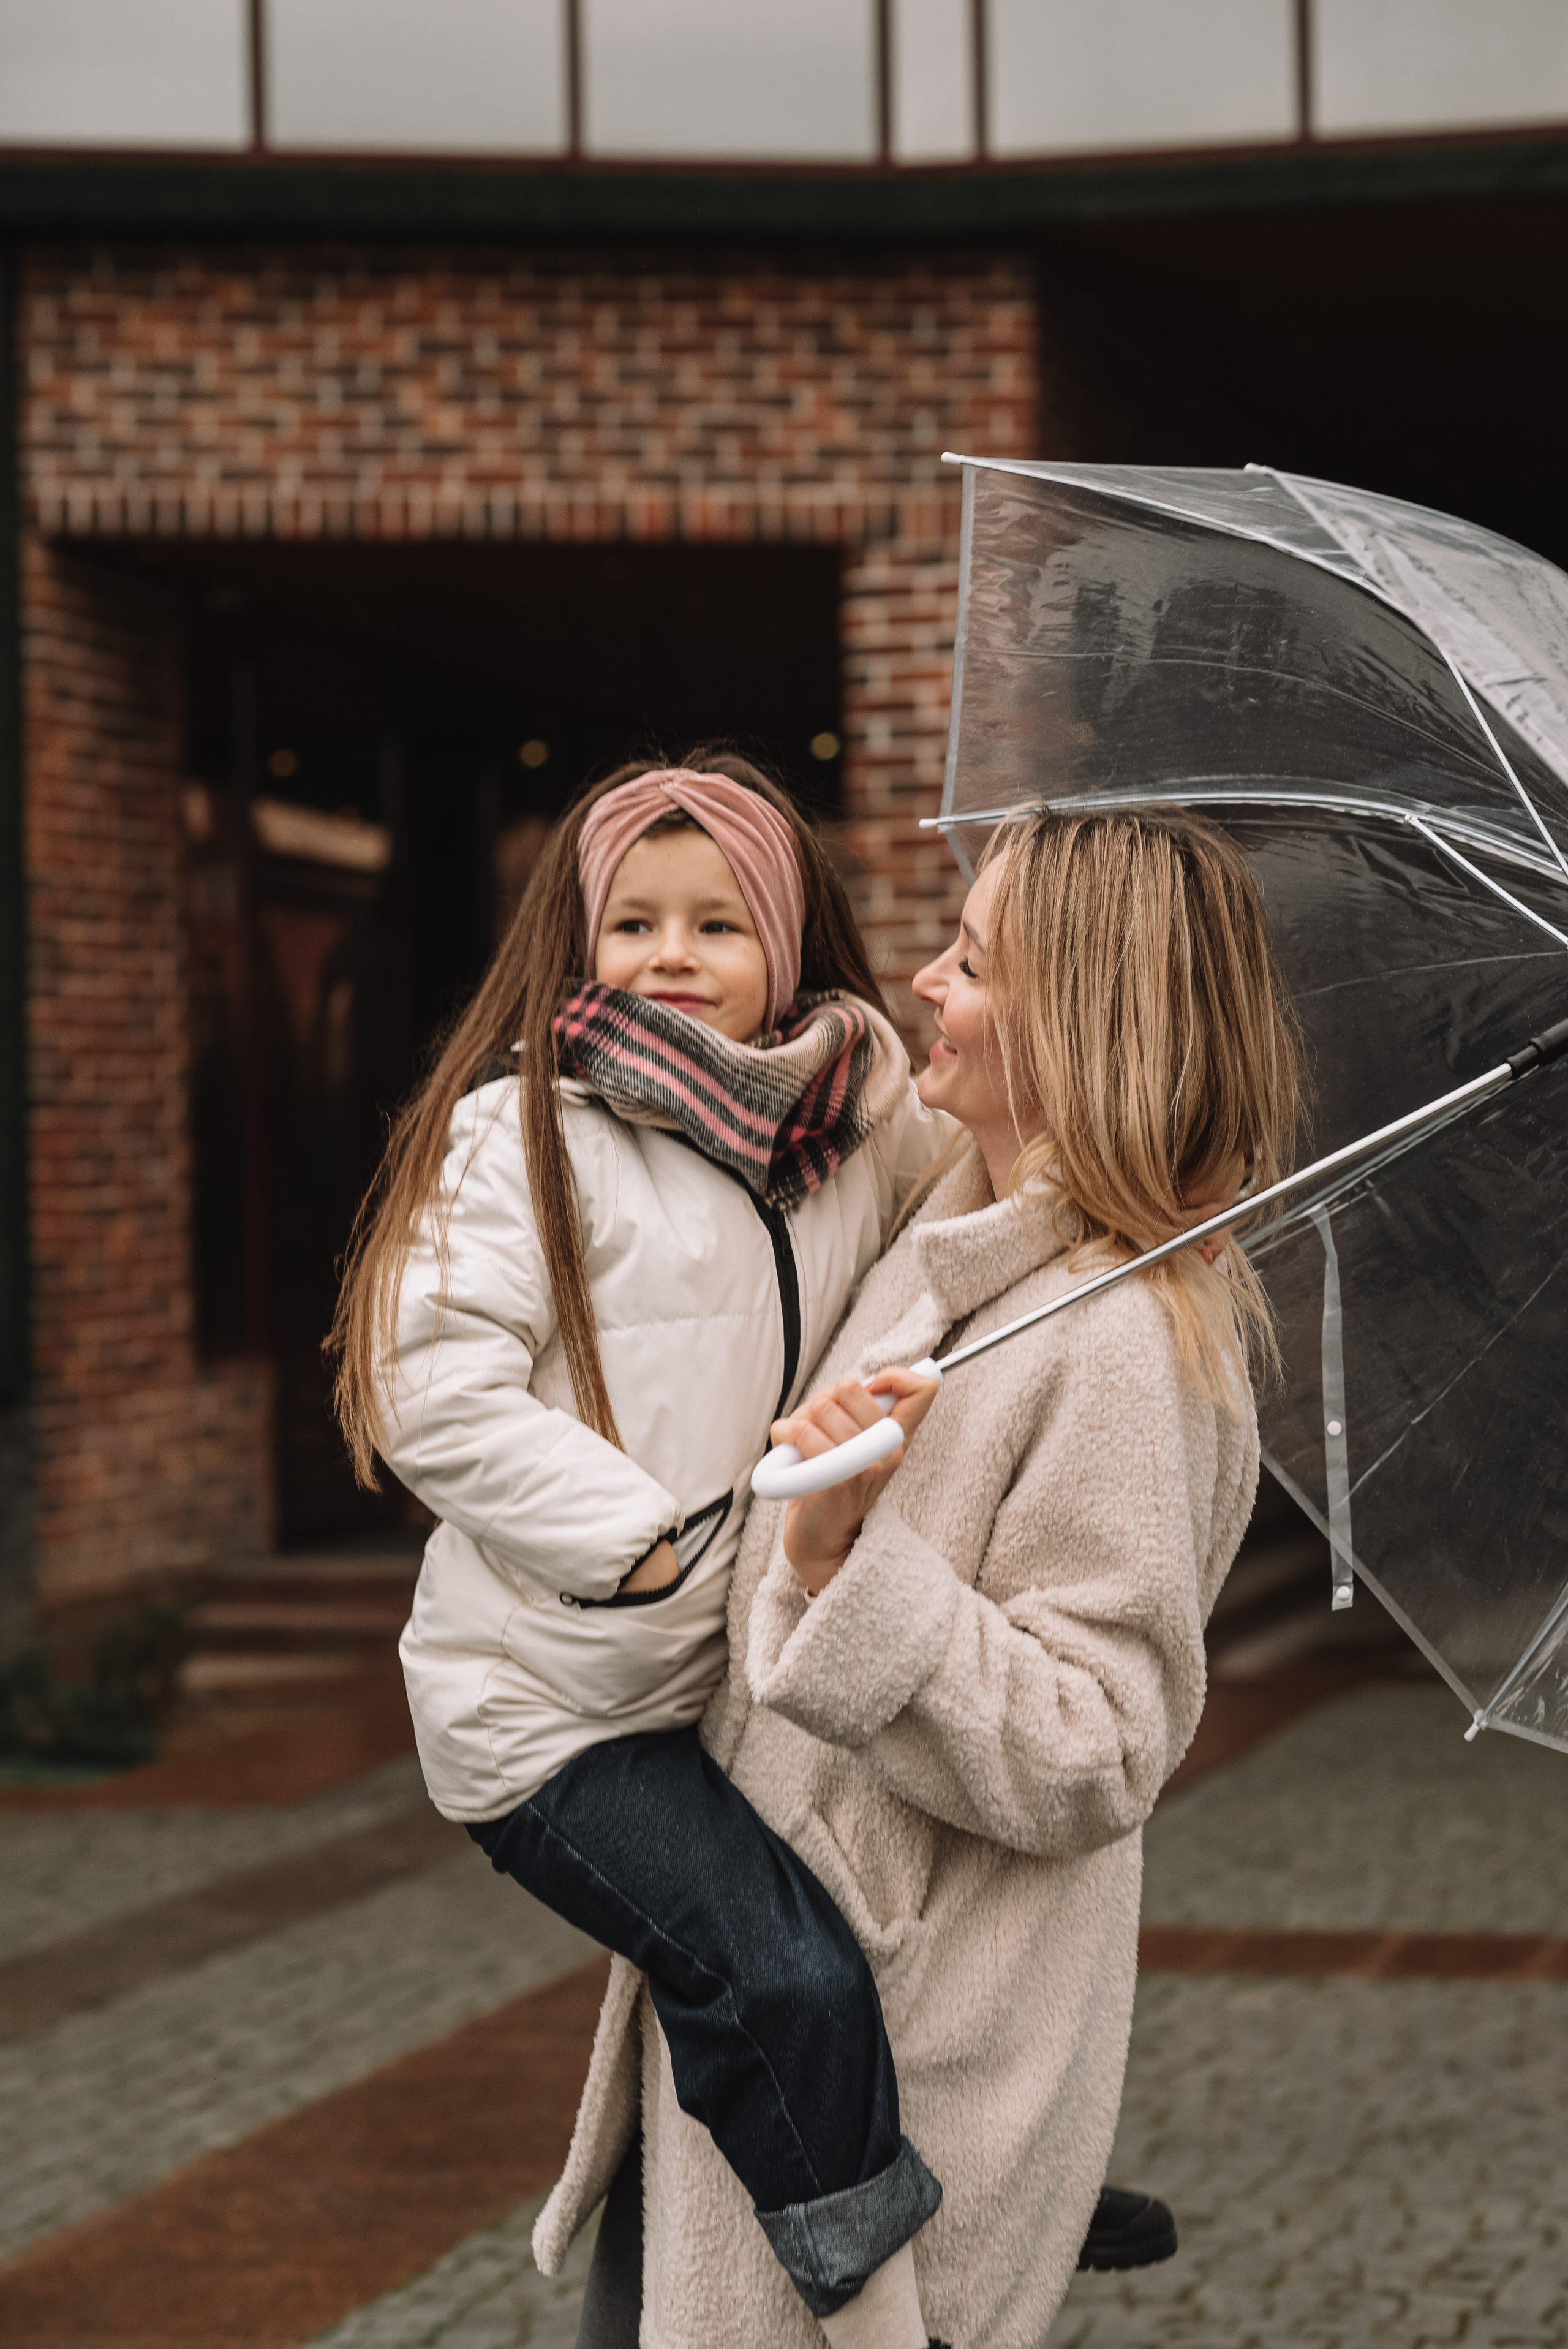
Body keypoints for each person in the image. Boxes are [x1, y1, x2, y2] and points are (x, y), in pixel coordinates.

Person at [535, 803, 1303, 2348]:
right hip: (777, 2017)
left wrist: (841, 1566)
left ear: (1084, 1016)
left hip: (893, 2061)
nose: (920, 987)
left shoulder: (1120, 1340)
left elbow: (1097, 1742)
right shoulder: (949, 1237)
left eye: (971, 961)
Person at [330, 757, 953, 2347]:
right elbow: (428, 1394)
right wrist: (642, 1544)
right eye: (632, 921)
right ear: (579, 941)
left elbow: (1000, 1206)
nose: (670, 954)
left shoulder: (851, 1137)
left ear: (791, 946)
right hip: (548, 1713)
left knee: (874, 1968)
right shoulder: (526, 1134)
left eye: (718, 923)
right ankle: (895, 2307)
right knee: (780, 1975)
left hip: (722, 1690)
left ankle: (978, 2199)